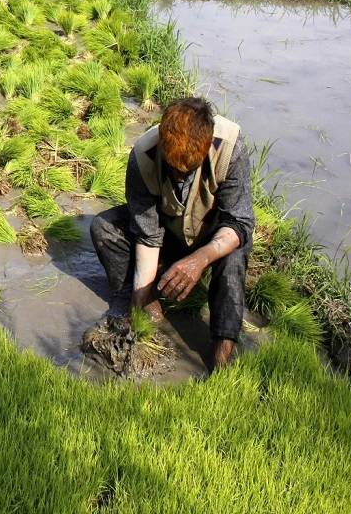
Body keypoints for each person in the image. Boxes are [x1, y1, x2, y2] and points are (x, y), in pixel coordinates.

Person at [89, 97, 254, 370]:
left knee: (234, 256)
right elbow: (148, 235)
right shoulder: (143, 155)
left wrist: (199, 260)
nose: (179, 176)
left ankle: (222, 355)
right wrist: (141, 302)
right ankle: (139, 299)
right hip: (168, 231)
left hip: (212, 235)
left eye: (186, 171)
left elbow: (239, 223)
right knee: (104, 228)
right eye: (173, 168)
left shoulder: (231, 147)